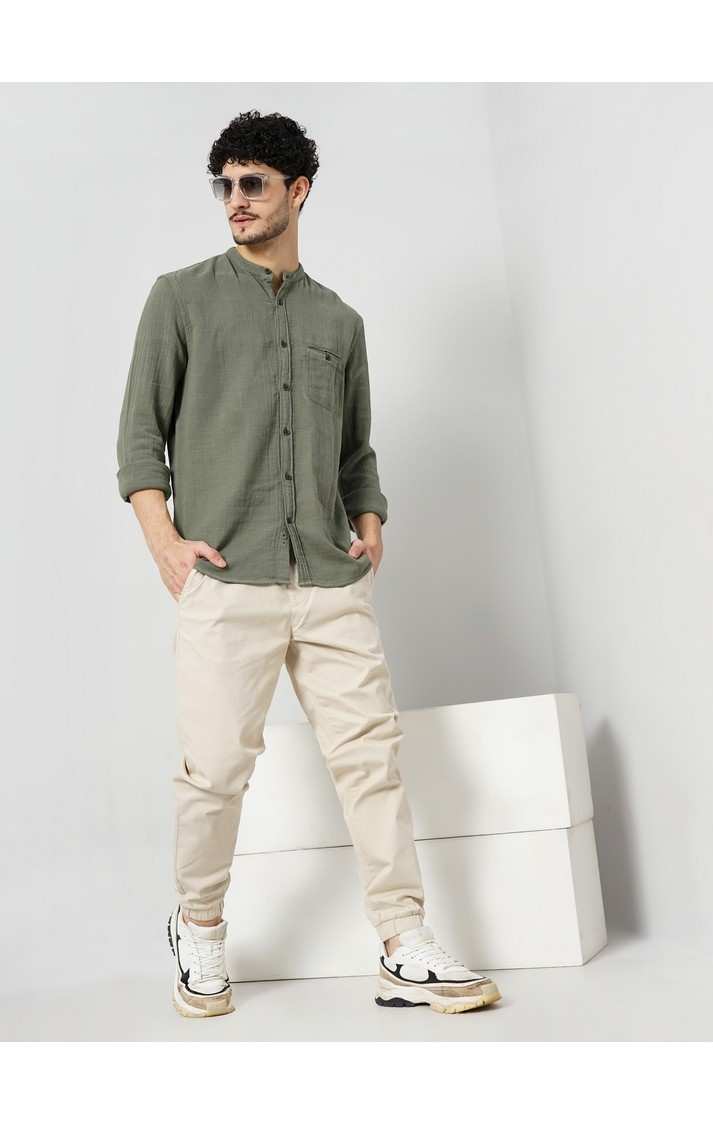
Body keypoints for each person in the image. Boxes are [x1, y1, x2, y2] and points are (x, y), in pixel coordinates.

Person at [116, 110, 501, 1019]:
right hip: (226, 577)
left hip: (330, 583)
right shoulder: (179, 298)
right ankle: (198, 928)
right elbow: (139, 440)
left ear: (299, 189)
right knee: (215, 770)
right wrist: (167, 545)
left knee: (372, 761)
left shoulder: (340, 321)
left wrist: (370, 522)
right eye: (225, 185)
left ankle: (403, 942)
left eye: (253, 183)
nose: (235, 201)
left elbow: (356, 451)